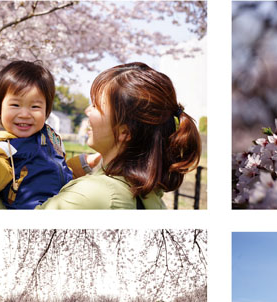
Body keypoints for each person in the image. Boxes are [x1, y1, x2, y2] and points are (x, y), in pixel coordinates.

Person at [34, 62, 201, 209]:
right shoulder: (147, 193)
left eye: (96, 106)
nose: (87, 111)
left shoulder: (92, 195)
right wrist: (85, 165)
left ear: (125, 132)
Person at [0, 60, 96, 209]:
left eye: (35, 106)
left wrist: (84, 163)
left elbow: (62, 168)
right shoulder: (3, 145)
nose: (24, 114)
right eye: (15, 105)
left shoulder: (51, 137)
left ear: (47, 111)